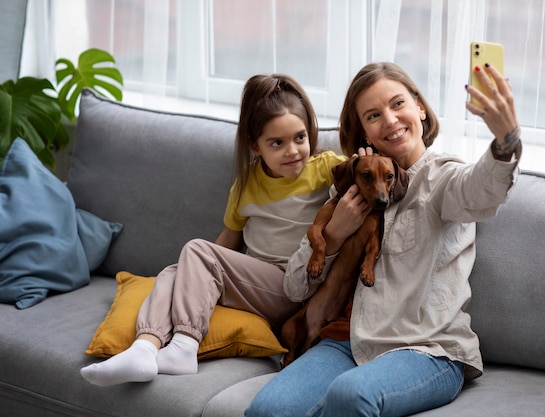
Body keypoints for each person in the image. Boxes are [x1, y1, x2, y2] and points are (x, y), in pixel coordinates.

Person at [246, 61, 521, 417]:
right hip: (344, 343)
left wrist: (505, 141)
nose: (390, 120)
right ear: (363, 131)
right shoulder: (349, 186)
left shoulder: (443, 181)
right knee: (268, 410)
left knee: (351, 394)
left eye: (398, 104)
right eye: (373, 115)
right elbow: (295, 288)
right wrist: (335, 232)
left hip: (424, 349)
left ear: (420, 107)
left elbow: (482, 191)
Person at [80, 73, 346, 387]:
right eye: (278, 142)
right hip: (255, 285)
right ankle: (145, 347)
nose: (293, 151)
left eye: (300, 138)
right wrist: (195, 270)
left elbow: (362, 174)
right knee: (172, 272)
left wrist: (366, 159)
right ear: (255, 146)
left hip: (293, 286)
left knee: (196, 250)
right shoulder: (247, 184)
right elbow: (228, 241)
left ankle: (184, 345)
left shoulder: (324, 169)